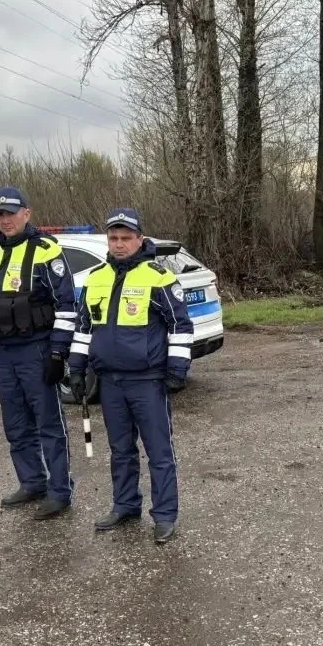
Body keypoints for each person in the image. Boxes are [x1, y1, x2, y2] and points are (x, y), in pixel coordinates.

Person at [68, 207, 193, 543]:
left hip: (147, 381)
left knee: (159, 451)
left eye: (126, 237)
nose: (119, 244)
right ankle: (125, 505)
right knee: (120, 450)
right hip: (110, 382)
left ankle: (164, 515)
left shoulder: (159, 277)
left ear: (140, 239)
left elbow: (180, 326)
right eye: (114, 238)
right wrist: (76, 368)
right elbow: (83, 328)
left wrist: (177, 369)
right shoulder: (95, 278)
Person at [0, 187, 77, 519]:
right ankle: (32, 481)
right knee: (16, 424)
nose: (5, 220)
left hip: (36, 348)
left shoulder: (46, 250)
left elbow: (67, 305)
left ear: (26, 213)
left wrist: (58, 353)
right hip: (3, 351)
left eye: (10, 213)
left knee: (49, 424)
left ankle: (60, 491)